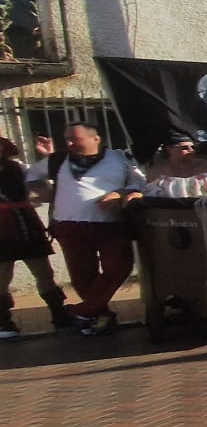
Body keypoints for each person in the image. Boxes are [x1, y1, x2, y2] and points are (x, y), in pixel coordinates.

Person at [25, 123, 147, 336]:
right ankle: (99, 317)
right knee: (82, 276)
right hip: (68, 225)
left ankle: (81, 311)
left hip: (110, 224)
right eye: (67, 139)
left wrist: (119, 193)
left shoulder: (119, 158)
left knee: (119, 266)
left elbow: (140, 184)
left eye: (75, 139)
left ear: (95, 139)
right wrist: (47, 192)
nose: (70, 143)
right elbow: (31, 176)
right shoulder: (57, 160)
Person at [0, 136, 67, 338]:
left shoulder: (17, 167)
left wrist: (48, 156)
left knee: (43, 271)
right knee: (2, 273)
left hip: (25, 222)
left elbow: (44, 190)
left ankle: (59, 314)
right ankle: (3, 322)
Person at [143, 132, 207, 198]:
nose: (191, 151)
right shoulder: (158, 171)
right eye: (184, 148)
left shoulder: (206, 166)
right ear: (169, 149)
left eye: (192, 147)